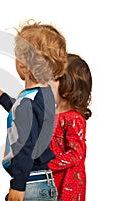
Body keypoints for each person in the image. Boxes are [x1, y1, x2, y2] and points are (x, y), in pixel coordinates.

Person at [0, 20, 67, 201]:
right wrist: (1, 96)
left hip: (30, 183)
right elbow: (20, 112)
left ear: (24, 63)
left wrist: (18, 185)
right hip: (41, 180)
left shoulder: (30, 101)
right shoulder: (41, 96)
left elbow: (26, 144)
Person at [48, 53, 92, 201]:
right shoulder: (50, 114)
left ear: (69, 85)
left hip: (67, 187)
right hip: (49, 181)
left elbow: (76, 154)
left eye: (54, 79)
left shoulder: (74, 119)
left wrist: (47, 165)